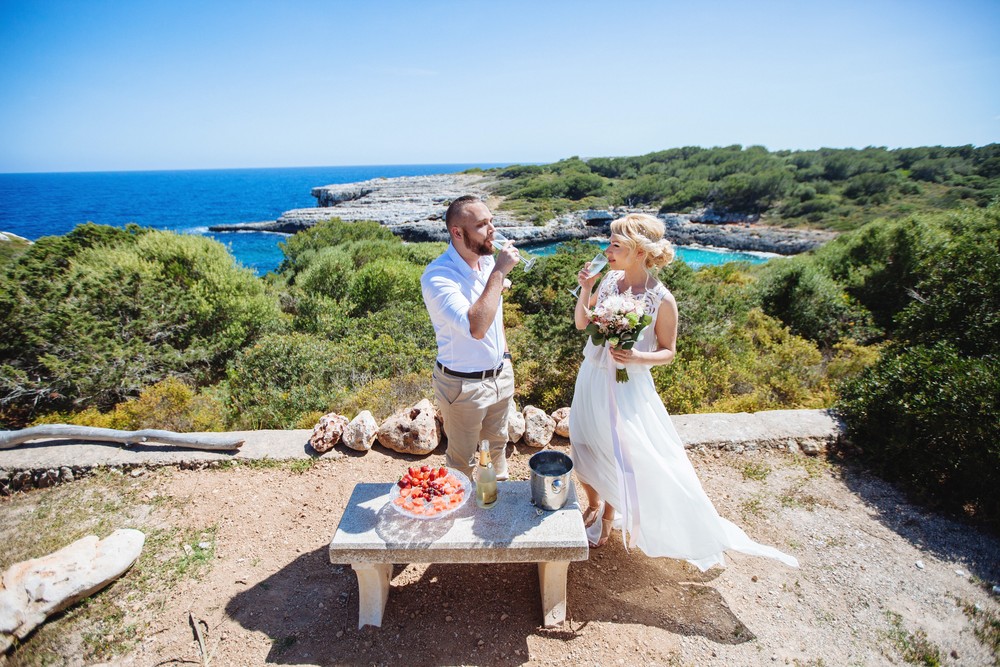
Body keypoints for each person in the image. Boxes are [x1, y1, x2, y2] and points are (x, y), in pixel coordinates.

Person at [569, 213, 798, 570]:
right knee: (584, 443)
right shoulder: (610, 280)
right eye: (609, 242)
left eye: (615, 244)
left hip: (626, 385)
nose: (607, 249)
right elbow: (583, 323)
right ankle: (594, 502)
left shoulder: (662, 298)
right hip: (592, 374)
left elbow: (668, 351)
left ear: (639, 251)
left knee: (619, 451)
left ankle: (610, 518)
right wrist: (586, 287)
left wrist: (636, 356)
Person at [421, 195, 518, 479]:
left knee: (498, 446)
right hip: (463, 386)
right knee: (462, 459)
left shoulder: (487, 263)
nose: (492, 231)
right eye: (482, 225)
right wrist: (501, 271)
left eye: (492, 222)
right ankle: (459, 511)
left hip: (500, 376)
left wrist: (507, 360)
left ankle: (498, 503)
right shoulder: (439, 276)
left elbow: (494, 319)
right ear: (457, 232)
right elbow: (475, 327)